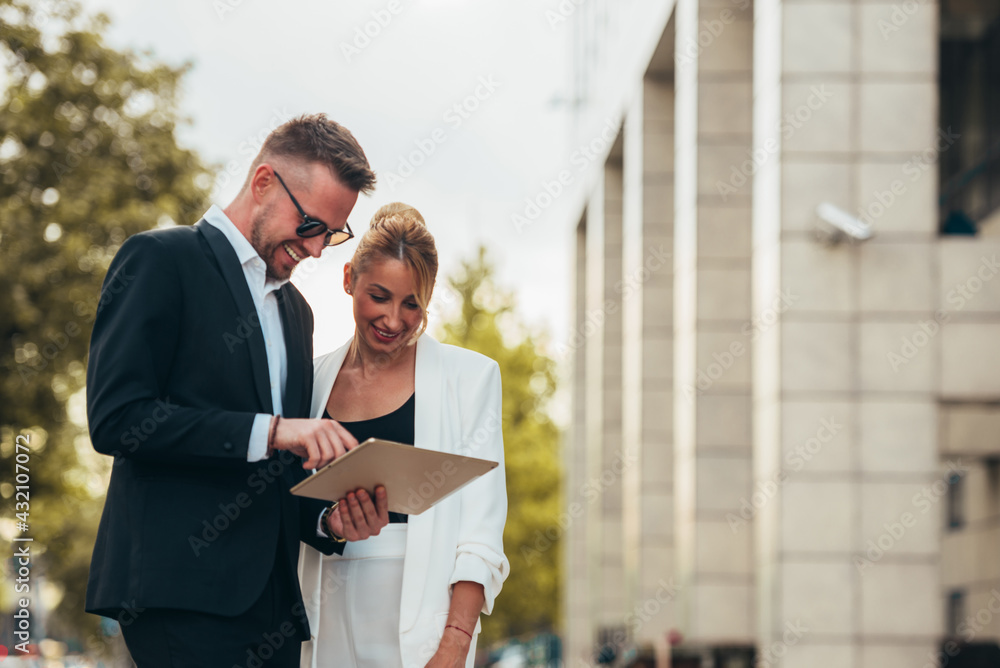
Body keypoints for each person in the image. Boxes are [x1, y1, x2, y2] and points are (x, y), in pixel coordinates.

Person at [84, 114, 390, 668]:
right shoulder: (160, 260)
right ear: (263, 183)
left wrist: (329, 521)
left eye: (333, 233)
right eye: (312, 225)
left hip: (272, 609)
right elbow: (117, 419)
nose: (319, 249)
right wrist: (271, 430)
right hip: (180, 596)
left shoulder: (297, 312)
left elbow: (276, 469)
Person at [298, 203, 509, 668]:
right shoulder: (308, 380)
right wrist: (330, 521)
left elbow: (481, 534)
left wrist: (454, 644)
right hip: (321, 618)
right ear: (349, 277)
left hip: (422, 623)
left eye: (411, 303)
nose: (394, 320)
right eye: (379, 296)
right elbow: (287, 504)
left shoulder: (470, 378)